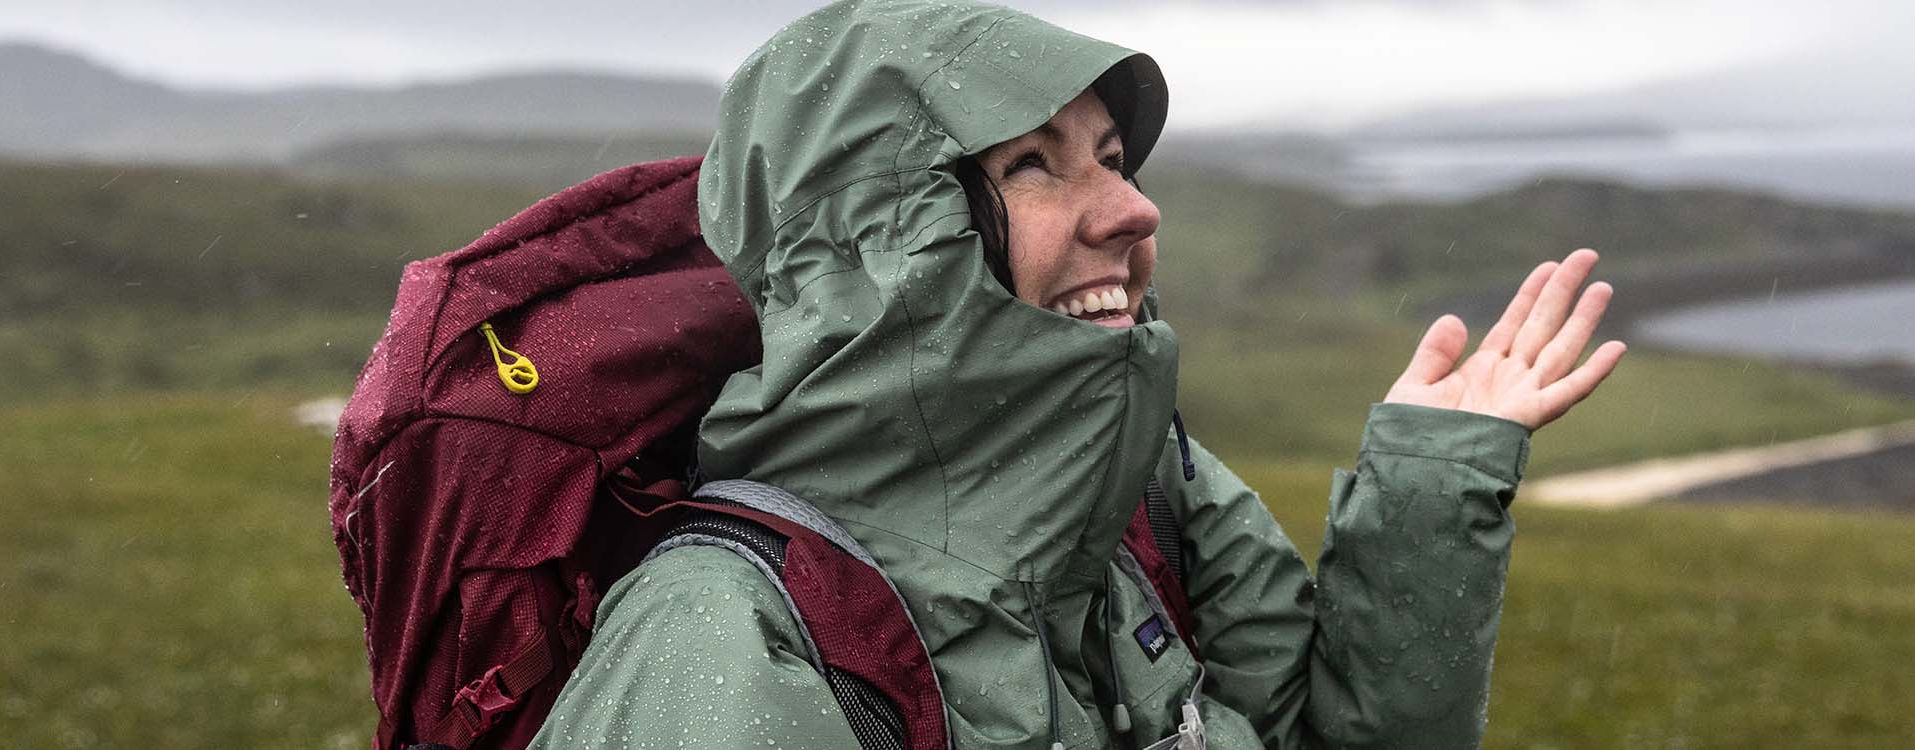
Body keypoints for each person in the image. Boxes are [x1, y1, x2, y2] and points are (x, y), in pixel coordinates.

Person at [533, 1, 1623, 747]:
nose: (1136, 208)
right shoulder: (720, 635)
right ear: (884, 244)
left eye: (1110, 156)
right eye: (1032, 164)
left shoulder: (1151, 494)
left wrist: (1426, 497)